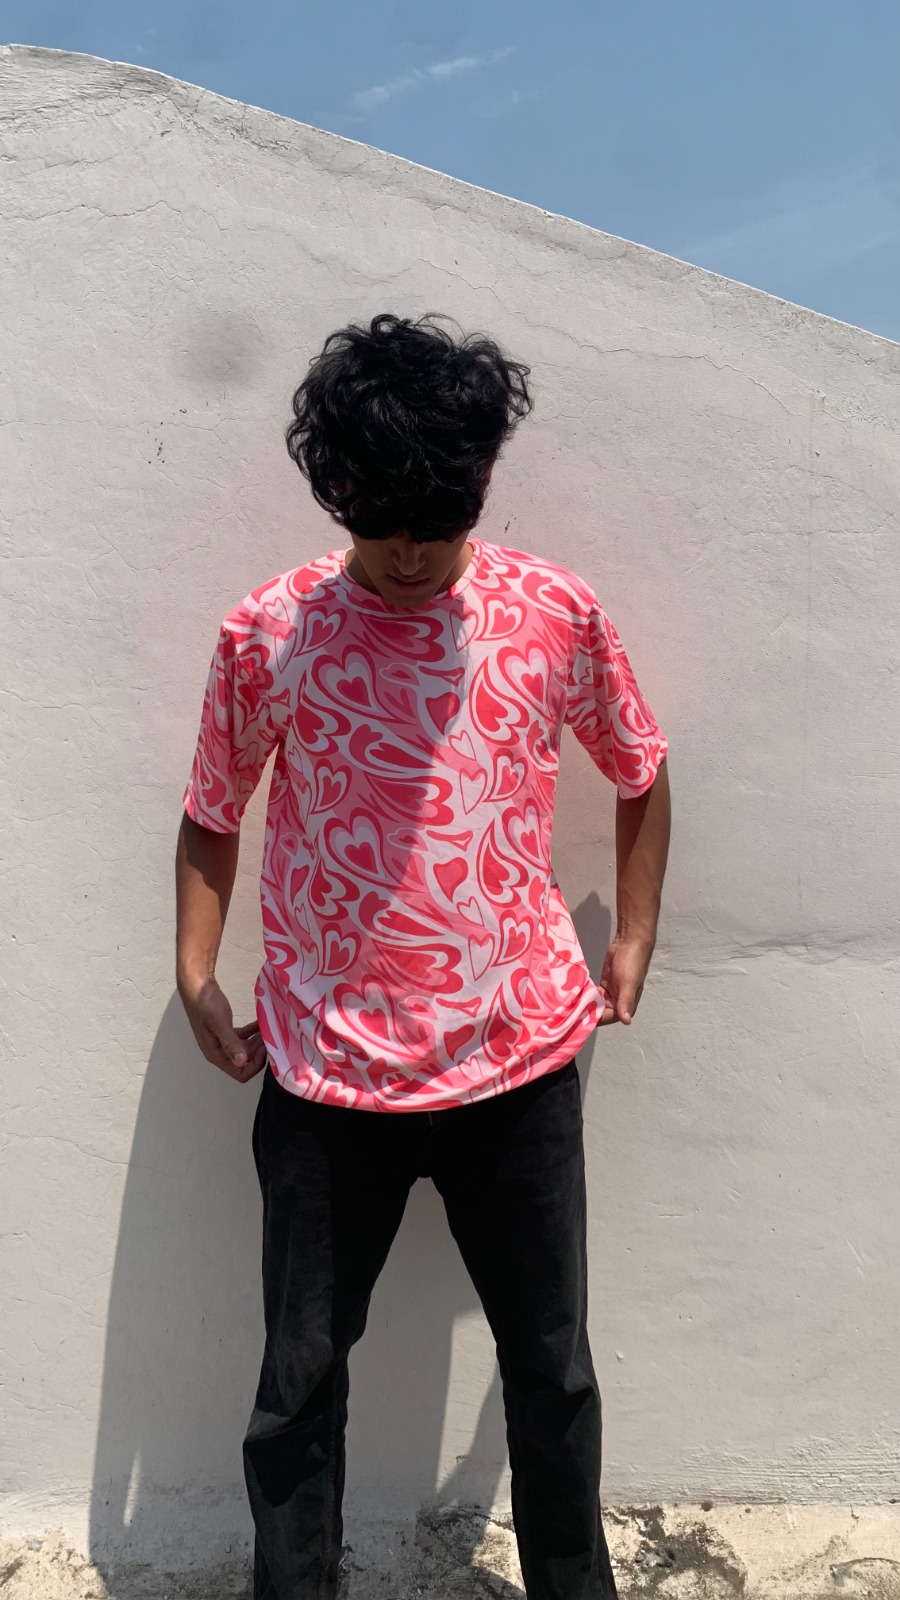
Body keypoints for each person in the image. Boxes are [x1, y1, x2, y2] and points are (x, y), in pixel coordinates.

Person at [175, 312, 671, 1600]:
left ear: (482, 482)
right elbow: (214, 808)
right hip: (327, 1076)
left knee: (552, 1370)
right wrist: (195, 971)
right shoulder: (270, 631)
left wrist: (633, 934)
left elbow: (639, 766)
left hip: (518, 1065)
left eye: (435, 523)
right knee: (297, 1388)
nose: (406, 552)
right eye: (378, 521)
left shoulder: (551, 611)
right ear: (337, 492)